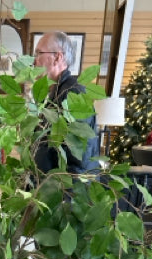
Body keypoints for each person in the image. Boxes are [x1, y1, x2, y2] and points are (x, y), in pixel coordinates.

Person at [33, 31, 100, 175]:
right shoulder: (54, 94)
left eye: (39, 53)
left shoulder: (73, 94)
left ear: (57, 57)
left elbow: (78, 156)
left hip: (68, 192)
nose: (34, 61)